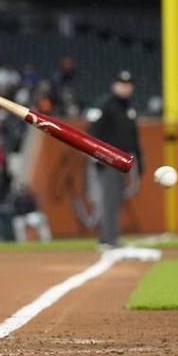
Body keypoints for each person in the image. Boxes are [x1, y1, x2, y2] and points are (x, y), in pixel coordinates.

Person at [73, 70, 144, 249]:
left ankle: (110, 237)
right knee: (109, 199)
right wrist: (97, 156)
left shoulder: (130, 107)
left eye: (128, 84)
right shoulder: (105, 105)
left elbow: (134, 138)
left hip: (124, 160)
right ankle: (107, 239)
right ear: (114, 85)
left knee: (115, 199)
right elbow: (93, 132)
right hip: (108, 159)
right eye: (122, 84)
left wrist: (140, 161)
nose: (125, 87)